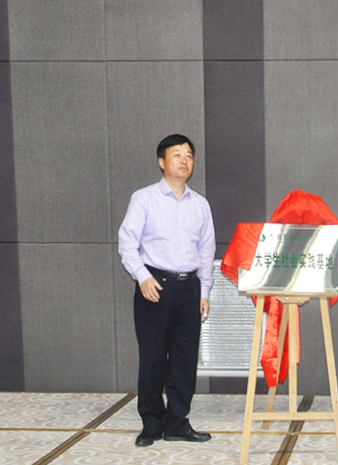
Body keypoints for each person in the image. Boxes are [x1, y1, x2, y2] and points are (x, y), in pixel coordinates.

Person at [118, 134, 216, 447]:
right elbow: (127, 242)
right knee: (153, 357)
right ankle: (151, 423)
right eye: (177, 155)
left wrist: (204, 291)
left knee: (185, 359)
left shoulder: (200, 204)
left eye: (189, 155)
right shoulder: (144, 199)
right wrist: (142, 277)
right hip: (155, 287)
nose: (184, 161)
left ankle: (177, 423)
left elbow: (206, 250)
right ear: (162, 162)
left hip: (190, 288)